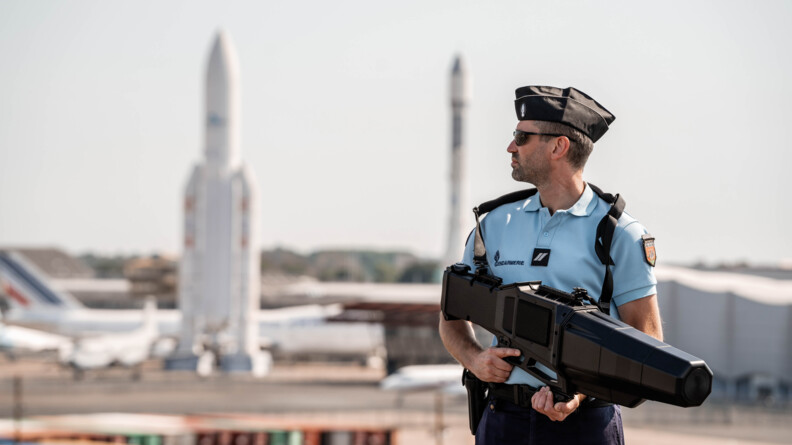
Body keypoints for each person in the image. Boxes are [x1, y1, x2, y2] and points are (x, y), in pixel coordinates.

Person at [438, 85, 663, 445]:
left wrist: (579, 394)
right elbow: (451, 318)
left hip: (585, 426)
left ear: (559, 147)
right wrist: (475, 359)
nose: (511, 147)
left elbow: (648, 343)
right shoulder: (493, 225)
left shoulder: (620, 234)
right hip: (501, 421)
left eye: (521, 137)